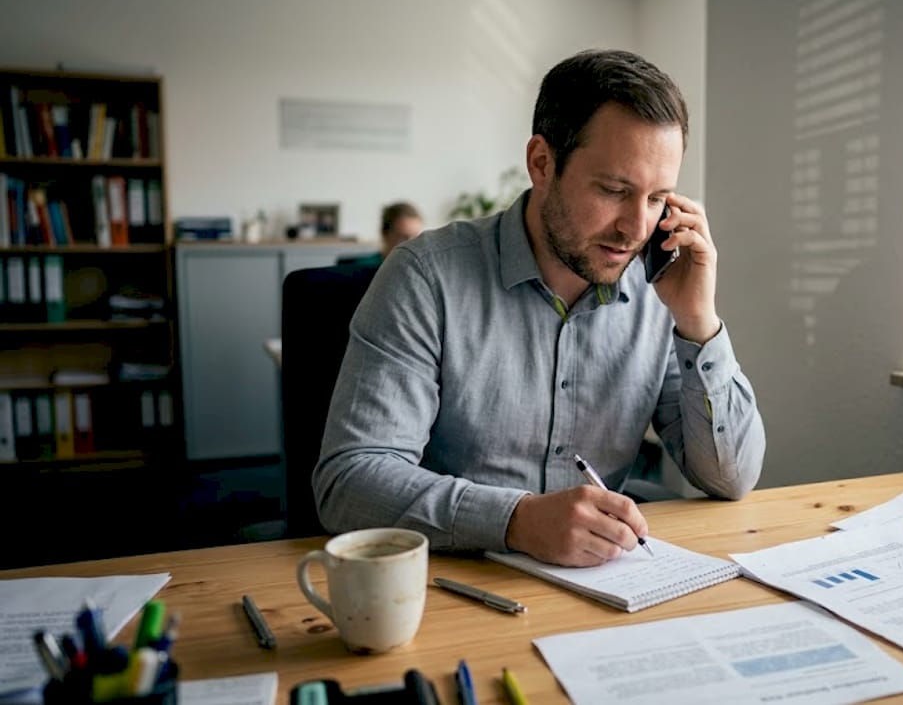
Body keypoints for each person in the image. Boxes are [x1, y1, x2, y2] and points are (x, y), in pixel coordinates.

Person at [314, 49, 766, 567]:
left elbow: (730, 478)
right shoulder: (426, 276)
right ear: (542, 163)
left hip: (602, 587)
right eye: (615, 191)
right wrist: (517, 520)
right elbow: (349, 481)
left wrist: (698, 322)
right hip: (452, 584)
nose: (636, 228)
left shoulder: (658, 288)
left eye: (657, 198)